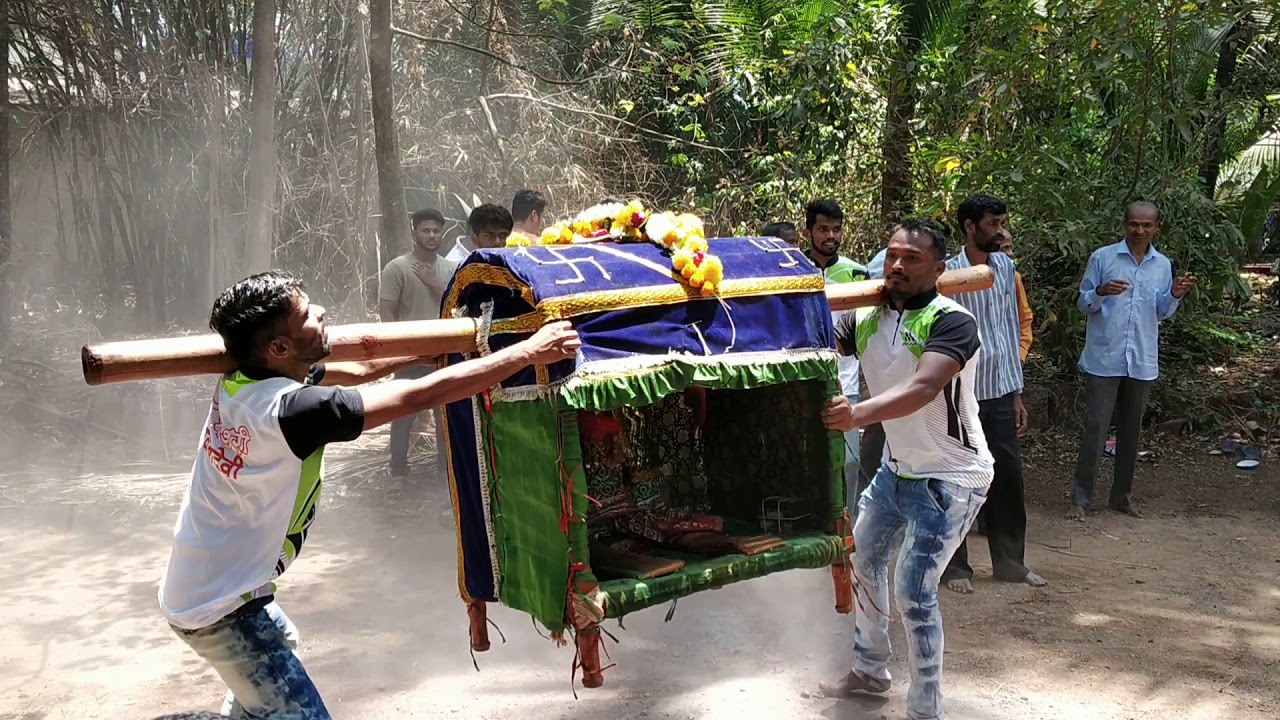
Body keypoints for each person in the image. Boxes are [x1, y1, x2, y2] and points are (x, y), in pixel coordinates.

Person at [159, 270, 580, 719]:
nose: (321, 312)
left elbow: (361, 369)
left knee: (277, 658)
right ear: (279, 348)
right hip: (223, 608)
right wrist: (528, 352)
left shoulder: (247, 380)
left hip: (206, 587)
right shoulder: (292, 412)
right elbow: (416, 397)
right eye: (306, 314)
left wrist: (429, 348)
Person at [817, 218, 993, 720]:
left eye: (911, 258)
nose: (896, 265)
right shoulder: (863, 316)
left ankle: (924, 710)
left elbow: (922, 387)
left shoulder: (952, 321)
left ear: (940, 268)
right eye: (892, 255)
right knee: (863, 559)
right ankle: (870, 672)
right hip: (897, 471)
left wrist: (856, 415)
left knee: (914, 591)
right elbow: (815, 344)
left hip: (952, 477)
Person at [939, 194, 1045, 593]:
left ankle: (1011, 564)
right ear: (970, 227)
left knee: (1007, 478)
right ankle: (955, 569)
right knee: (958, 479)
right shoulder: (945, 274)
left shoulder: (1006, 267)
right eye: (992, 223)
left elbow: (1009, 327)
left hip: (1001, 391)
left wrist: (1017, 393)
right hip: (958, 394)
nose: (1000, 230)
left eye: (1002, 221)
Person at [1069, 201, 1195, 520]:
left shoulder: (1162, 265)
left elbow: (1161, 312)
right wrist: (1100, 291)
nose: (1140, 230)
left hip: (1141, 359)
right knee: (1096, 429)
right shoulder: (1103, 257)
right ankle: (1080, 501)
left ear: (1157, 228)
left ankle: (1121, 497)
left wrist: (1176, 295)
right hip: (1104, 357)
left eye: (1147, 225)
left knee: (1131, 431)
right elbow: (1084, 304)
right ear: (1124, 225)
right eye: (1134, 224)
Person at [379, 208, 458, 479]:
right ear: (414, 232)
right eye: (425, 230)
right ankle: (398, 474)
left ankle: (445, 476)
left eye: (436, 230)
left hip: (443, 355)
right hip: (410, 356)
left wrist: (434, 283)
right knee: (402, 416)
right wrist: (396, 351)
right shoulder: (397, 268)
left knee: (445, 419)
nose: (431, 235)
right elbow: (387, 311)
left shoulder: (451, 269)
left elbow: (458, 307)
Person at [802, 199, 868, 518]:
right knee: (809, 455)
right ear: (809, 231)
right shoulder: (794, 269)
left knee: (850, 460)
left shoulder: (858, 272)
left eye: (837, 229)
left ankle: (848, 531)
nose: (831, 235)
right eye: (823, 229)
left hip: (846, 380)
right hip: (803, 379)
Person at [999, 236, 1034, 362]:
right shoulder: (965, 278)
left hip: (1010, 361)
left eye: (1010, 248)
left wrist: (1021, 353)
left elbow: (1025, 318)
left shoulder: (1014, 278)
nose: (1011, 254)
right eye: (1005, 249)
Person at [446, 203, 516, 264]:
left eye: (502, 235)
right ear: (474, 237)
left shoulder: (506, 261)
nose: (497, 242)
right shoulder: (454, 265)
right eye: (489, 235)